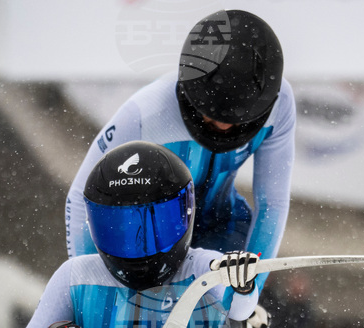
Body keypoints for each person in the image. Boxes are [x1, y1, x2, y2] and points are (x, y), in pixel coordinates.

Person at [3, 142, 261, 328]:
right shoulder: (76, 278)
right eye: (121, 229)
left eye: (156, 225)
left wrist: (240, 283)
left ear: (187, 212)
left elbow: (241, 309)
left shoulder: (201, 268)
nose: (139, 247)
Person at [64, 9, 294, 297]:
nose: (222, 127)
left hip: (222, 228)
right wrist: (83, 294)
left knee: (225, 308)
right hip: (154, 238)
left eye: (235, 120)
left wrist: (251, 290)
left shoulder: (280, 105)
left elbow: (271, 203)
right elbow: (79, 198)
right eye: (210, 116)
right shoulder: (144, 113)